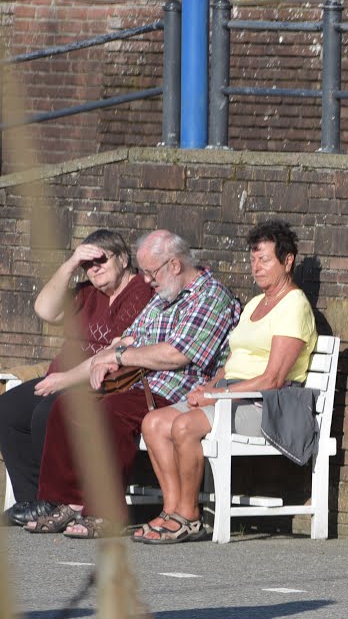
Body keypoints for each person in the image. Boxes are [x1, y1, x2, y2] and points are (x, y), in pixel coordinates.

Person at [25, 230, 240, 538]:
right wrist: (106, 359)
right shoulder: (165, 297)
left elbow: (176, 355)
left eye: (151, 273)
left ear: (175, 265)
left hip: (175, 390)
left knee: (109, 412)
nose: (147, 281)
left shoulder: (211, 297)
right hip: (139, 384)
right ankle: (67, 501)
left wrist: (123, 356)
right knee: (67, 405)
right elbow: (129, 338)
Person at [133, 220, 317, 543]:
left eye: (265, 260)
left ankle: (189, 517)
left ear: (287, 261)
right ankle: (172, 510)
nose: (256, 268)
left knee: (184, 427)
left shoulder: (295, 306)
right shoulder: (255, 304)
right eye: (253, 260)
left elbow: (272, 379)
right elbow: (232, 361)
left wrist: (220, 395)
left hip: (267, 404)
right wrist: (210, 386)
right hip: (233, 392)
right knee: (154, 422)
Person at [0, 230, 152, 527]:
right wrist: (71, 264)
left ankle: (55, 501)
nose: (93, 268)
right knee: (7, 409)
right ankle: (30, 498)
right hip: (61, 375)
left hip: (105, 382)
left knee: (47, 411)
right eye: (87, 264)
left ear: (122, 259)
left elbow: (120, 350)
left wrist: (65, 380)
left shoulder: (144, 293)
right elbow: (44, 309)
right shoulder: (86, 293)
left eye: (100, 260)